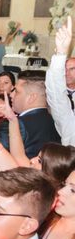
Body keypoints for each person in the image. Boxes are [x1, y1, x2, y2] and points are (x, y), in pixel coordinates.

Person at [0, 70, 61, 158]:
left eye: (17, 91)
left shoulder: (14, 125)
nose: (11, 95)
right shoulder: (56, 121)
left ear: (31, 97)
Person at [46, 16, 75, 146]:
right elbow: (56, 96)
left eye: (72, 69)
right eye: (65, 69)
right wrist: (60, 54)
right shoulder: (69, 120)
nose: (67, 73)